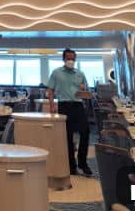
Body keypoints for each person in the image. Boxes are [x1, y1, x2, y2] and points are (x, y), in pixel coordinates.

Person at [47, 48, 91, 176]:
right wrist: (51, 106)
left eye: (72, 58)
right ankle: (71, 166)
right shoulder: (56, 73)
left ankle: (82, 163)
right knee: (68, 136)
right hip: (64, 105)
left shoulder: (80, 73)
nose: (70, 60)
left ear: (75, 59)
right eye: (68, 58)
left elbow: (86, 92)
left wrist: (84, 89)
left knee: (86, 132)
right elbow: (50, 90)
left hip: (78, 105)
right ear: (64, 59)